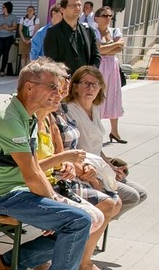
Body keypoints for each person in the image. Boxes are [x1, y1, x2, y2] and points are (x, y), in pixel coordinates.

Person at [0, 59, 94, 270]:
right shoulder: (9, 120)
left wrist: (53, 204)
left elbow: (34, 170)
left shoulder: (25, 118)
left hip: (17, 192)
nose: (57, 92)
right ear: (29, 87)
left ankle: (10, 263)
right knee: (78, 221)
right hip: (1, 196)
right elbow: (31, 175)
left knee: (80, 221)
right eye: (52, 86)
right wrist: (54, 203)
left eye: (58, 87)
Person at [38, 75, 114, 270]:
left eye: (63, 87)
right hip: (45, 181)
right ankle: (50, 267)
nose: (60, 93)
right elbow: (32, 167)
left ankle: (74, 261)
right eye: (56, 88)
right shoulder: (36, 116)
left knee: (107, 207)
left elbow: (63, 152)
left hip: (61, 175)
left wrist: (74, 165)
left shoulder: (57, 113)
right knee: (88, 216)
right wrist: (73, 166)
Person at [62, 65, 146, 217]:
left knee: (141, 193)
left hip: (99, 165)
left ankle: (99, 222)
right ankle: (93, 224)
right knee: (131, 196)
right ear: (75, 87)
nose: (91, 88)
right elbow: (70, 147)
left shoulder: (95, 108)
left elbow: (97, 147)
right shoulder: (70, 111)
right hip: (85, 169)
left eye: (95, 84)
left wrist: (111, 167)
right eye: (86, 83)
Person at [44, 0, 101, 75]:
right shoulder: (53, 32)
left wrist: (89, 74)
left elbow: (96, 56)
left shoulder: (88, 31)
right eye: (73, 5)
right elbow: (51, 61)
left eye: (79, 5)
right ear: (62, 9)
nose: (77, 8)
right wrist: (64, 77)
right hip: (64, 79)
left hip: (84, 79)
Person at [92, 6, 126, 143]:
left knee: (114, 95)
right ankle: (96, 131)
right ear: (97, 18)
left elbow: (120, 47)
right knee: (98, 96)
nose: (108, 18)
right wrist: (112, 46)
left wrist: (106, 49)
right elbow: (98, 50)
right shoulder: (93, 32)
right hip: (100, 66)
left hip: (113, 66)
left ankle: (115, 131)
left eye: (109, 16)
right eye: (104, 15)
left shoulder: (115, 31)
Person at [0, 2, 17, 76]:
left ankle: (2, 70)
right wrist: (1, 27)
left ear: (8, 8)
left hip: (8, 37)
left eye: (4, 7)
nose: (2, 9)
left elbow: (15, 27)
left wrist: (8, 28)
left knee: (6, 53)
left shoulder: (13, 17)